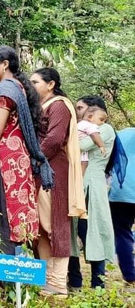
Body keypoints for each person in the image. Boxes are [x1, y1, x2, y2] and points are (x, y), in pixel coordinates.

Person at [0, 45, 53, 255]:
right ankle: (11, 282)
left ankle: (6, 283)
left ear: (5, 64)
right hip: (13, 161)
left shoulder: (6, 92)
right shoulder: (16, 88)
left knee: (2, 219)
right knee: (9, 219)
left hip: (4, 164)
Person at [30, 67, 86, 297]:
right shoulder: (41, 107)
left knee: (56, 226)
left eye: (35, 82)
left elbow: (53, 140)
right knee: (42, 227)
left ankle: (58, 283)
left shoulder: (59, 105)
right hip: (40, 169)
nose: (31, 86)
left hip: (53, 171)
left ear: (50, 84)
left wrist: (32, 160)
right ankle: (45, 280)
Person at [68, 96, 117, 290]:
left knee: (92, 232)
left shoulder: (105, 129)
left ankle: (98, 284)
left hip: (93, 186)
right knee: (72, 232)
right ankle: (75, 281)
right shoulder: (81, 127)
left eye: (80, 107)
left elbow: (80, 146)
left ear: (92, 111)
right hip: (77, 184)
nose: (77, 110)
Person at [109, 126, 134, 284]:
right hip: (121, 191)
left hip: (120, 190)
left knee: (122, 232)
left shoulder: (121, 134)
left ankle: (130, 275)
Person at [78, 107, 107, 173]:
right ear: (90, 117)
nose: (103, 123)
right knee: (84, 163)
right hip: (80, 151)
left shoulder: (80, 124)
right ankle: (79, 179)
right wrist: (101, 146)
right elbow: (94, 135)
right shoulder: (90, 125)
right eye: (101, 120)